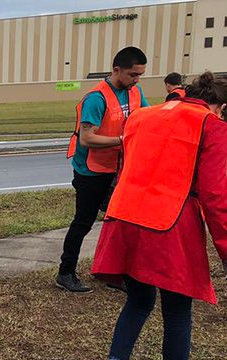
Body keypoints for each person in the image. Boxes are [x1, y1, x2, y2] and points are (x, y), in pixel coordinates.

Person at [93, 71, 227, 360]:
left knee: (138, 300)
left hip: (125, 214)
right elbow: (215, 196)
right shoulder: (211, 125)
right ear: (220, 107)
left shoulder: (144, 114)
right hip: (169, 221)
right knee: (178, 309)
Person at [59, 46, 149, 293]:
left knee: (121, 221)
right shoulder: (96, 98)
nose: (137, 80)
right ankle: (65, 273)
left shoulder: (136, 92)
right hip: (91, 171)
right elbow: (87, 139)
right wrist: (123, 140)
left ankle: (113, 274)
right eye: (133, 74)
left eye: (140, 74)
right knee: (84, 222)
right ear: (116, 70)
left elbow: (147, 118)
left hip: (119, 170)